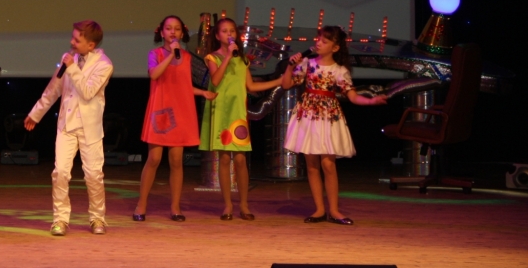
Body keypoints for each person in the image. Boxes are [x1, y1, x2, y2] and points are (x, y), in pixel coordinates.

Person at [282, 25, 387, 225]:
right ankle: (319, 209)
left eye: (324, 41)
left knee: (328, 164)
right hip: (308, 115)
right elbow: (286, 84)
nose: (318, 43)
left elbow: (353, 96)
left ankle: (334, 210)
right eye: (318, 39)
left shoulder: (339, 70)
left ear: (335, 47)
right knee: (311, 164)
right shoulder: (307, 63)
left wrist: (371, 101)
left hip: (328, 116)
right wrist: (289, 66)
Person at [25, 20, 114, 236]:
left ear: (91, 45)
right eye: (72, 38)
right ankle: (60, 220)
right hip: (67, 125)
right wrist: (36, 113)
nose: (72, 42)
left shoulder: (104, 65)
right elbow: (53, 89)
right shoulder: (68, 59)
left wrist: (72, 67)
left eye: (77, 40)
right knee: (61, 173)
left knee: (93, 175)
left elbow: (88, 92)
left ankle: (97, 217)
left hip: (90, 128)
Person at [134, 15, 216, 221]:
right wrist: (171, 55)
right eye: (169, 28)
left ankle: (175, 207)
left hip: (180, 110)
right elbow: (154, 74)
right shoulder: (155, 54)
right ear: (162, 32)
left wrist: (202, 92)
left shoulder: (187, 57)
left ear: (182, 33)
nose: (173, 32)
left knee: (177, 160)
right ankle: (141, 204)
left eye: (177, 29)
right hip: (161, 110)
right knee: (154, 158)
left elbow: (184, 86)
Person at [200, 17, 280, 220]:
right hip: (221, 111)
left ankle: (244, 204)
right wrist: (228, 56)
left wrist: (279, 81)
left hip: (237, 113)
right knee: (224, 159)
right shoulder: (212, 57)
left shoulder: (243, 60)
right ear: (217, 35)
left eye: (232, 31)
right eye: (224, 31)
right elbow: (215, 80)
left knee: (241, 159)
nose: (229, 34)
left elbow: (251, 86)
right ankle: (227, 205)